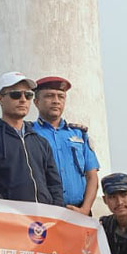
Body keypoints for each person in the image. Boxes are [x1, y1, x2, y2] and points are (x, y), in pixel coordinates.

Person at [0, 71, 64, 206]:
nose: (23, 99)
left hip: (44, 220)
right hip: (10, 221)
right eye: (15, 94)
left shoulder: (40, 141)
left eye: (28, 95)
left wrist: (56, 212)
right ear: (0, 99)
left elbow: (55, 184)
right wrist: (8, 215)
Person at [31, 76, 100, 214]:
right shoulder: (29, 134)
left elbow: (92, 176)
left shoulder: (79, 134)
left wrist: (85, 209)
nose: (56, 101)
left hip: (78, 211)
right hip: (43, 213)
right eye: (49, 96)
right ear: (36, 102)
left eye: (61, 97)